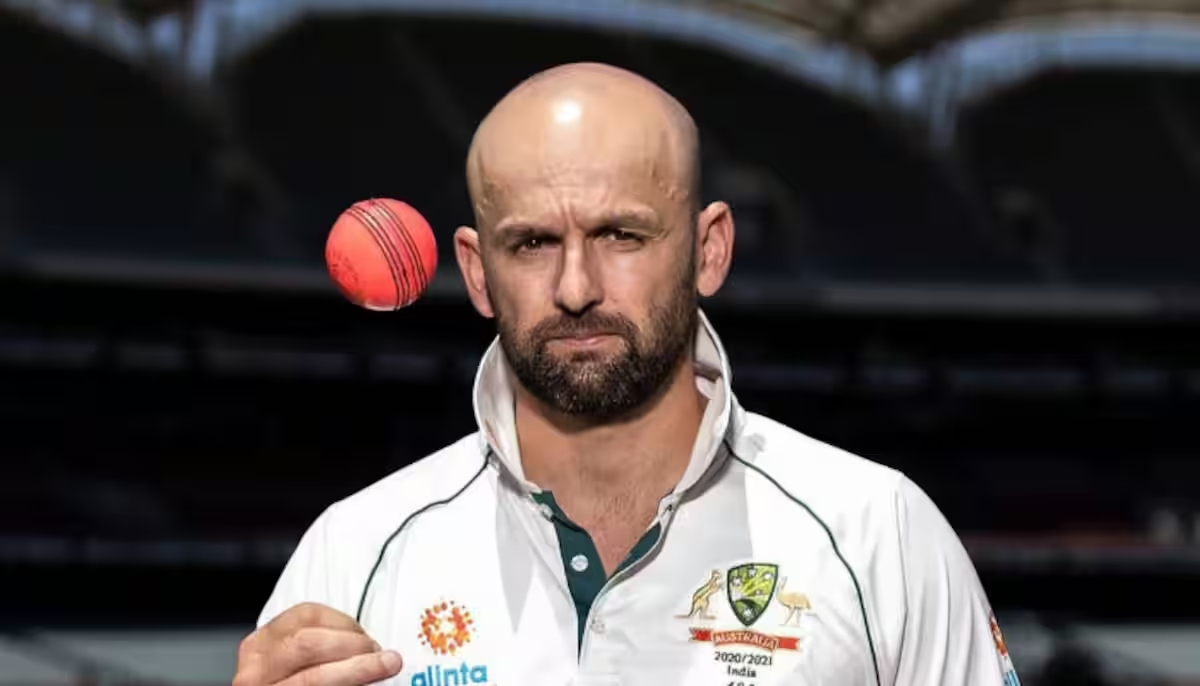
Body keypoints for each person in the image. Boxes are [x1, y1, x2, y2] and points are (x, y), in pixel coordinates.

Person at [234, 62, 1021, 686]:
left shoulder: (879, 535)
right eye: (533, 244)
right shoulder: (356, 552)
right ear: (476, 273)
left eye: (621, 235)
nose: (576, 288)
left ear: (709, 249)